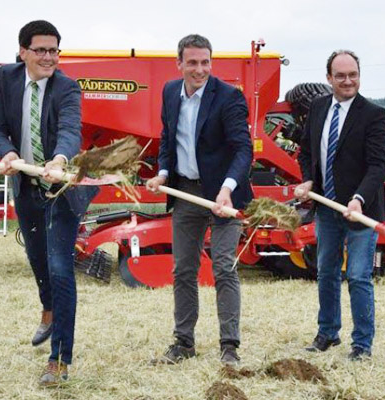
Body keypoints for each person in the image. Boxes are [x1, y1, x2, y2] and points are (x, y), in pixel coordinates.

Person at [0, 20, 97, 385]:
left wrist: (60, 160)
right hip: (27, 186)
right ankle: (48, 310)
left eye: (54, 50)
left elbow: (70, 129)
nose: (49, 57)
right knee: (37, 260)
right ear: (23, 52)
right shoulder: (7, 79)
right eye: (41, 50)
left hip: (61, 190)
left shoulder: (67, 87)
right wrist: (8, 152)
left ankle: (59, 361)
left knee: (61, 269)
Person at [146, 34, 253, 366]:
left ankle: (229, 346)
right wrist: (163, 173)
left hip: (224, 193)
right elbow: (168, 138)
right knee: (183, 269)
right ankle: (183, 342)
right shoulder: (169, 92)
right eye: (192, 62)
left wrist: (227, 188)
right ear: (179, 64)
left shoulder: (228, 97)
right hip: (187, 192)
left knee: (223, 267)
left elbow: (242, 148)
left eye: (205, 62)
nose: (199, 69)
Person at [294, 50, 385, 360]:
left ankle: (362, 344)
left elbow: (378, 166)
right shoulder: (318, 108)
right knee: (326, 272)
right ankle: (327, 333)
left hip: (360, 210)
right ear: (329, 79)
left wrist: (358, 198)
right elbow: (307, 152)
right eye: (341, 76)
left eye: (353, 75)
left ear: (359, 75)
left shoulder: (373, 114)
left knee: (359, 276)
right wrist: (308, 180)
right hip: (326, 207)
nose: (348, 81)